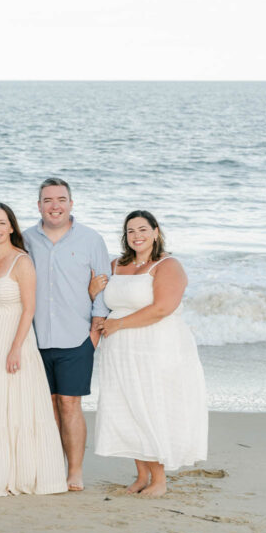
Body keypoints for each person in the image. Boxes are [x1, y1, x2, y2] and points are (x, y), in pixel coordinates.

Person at [90, 211, 208, 497]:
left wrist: (119, 324)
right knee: (128, 407)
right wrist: (92, 292)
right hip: (119, 350)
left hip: (156, 346)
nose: (137, 236)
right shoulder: (116, 265)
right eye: (131, 231)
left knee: (150, 407)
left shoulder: (168, 265)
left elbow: (162, 308)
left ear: (155, 232)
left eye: (143, 229)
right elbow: (101, 302)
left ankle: (159, 479)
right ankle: (142, 476)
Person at [0, 203, 67, 497]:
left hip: (16, 341)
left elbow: (29, 308)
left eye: (1, 222)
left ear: (11, 227)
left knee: (19, 405)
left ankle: (23, 474)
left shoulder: (22, 261)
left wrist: (16, 348)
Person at [23, 177, 111, 492]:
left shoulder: (91, 239)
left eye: (61, 199)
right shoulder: (25, 239)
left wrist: (94, 335)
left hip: (76, 338)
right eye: (48, 200)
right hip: (35, 339)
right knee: (46, 406)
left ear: (71, 203)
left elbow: (104, 288)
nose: (55, 206)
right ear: (39, 206)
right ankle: (52, 467)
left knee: (70, 404)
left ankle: (74, 471)